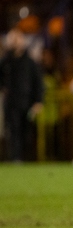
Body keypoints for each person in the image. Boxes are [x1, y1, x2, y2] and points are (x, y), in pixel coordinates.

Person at [0, 27, 44, 161]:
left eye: (17, 38)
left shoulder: (30, 62)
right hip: (11, 102)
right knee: (13, 131)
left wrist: (38, 101)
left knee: (26, 133)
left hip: (26, 102)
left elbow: (38, 82)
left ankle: (27, 158)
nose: (15, 42)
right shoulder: (6, 61)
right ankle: (15, 158)